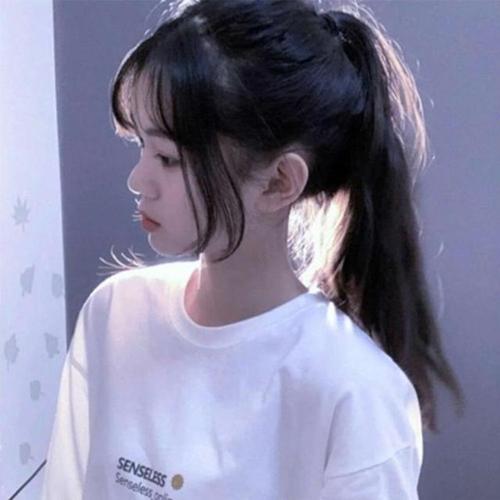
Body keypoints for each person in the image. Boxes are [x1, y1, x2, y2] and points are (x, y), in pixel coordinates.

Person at [41, 0, 465, 498]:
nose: (138, 180)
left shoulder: (356, 393)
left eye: (168, 158)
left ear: (278, 182)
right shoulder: (115, 314)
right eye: (141, 146)